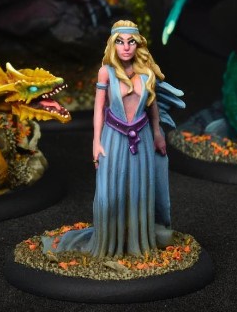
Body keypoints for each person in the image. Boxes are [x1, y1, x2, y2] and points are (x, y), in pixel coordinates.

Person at [45, 19, 184, 258]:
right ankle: (110, 242)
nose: (126, 47)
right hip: (114, 138)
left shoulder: (146, 73)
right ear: (113, 44)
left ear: (138, 44)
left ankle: (137, 241)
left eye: (131, 42)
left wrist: (157, 133)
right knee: (110, 194)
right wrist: (96, 142)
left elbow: (152, 106)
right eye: (120, 41)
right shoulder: (106, 72)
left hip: (141, 138)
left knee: (139, 190)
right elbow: (99, 109)